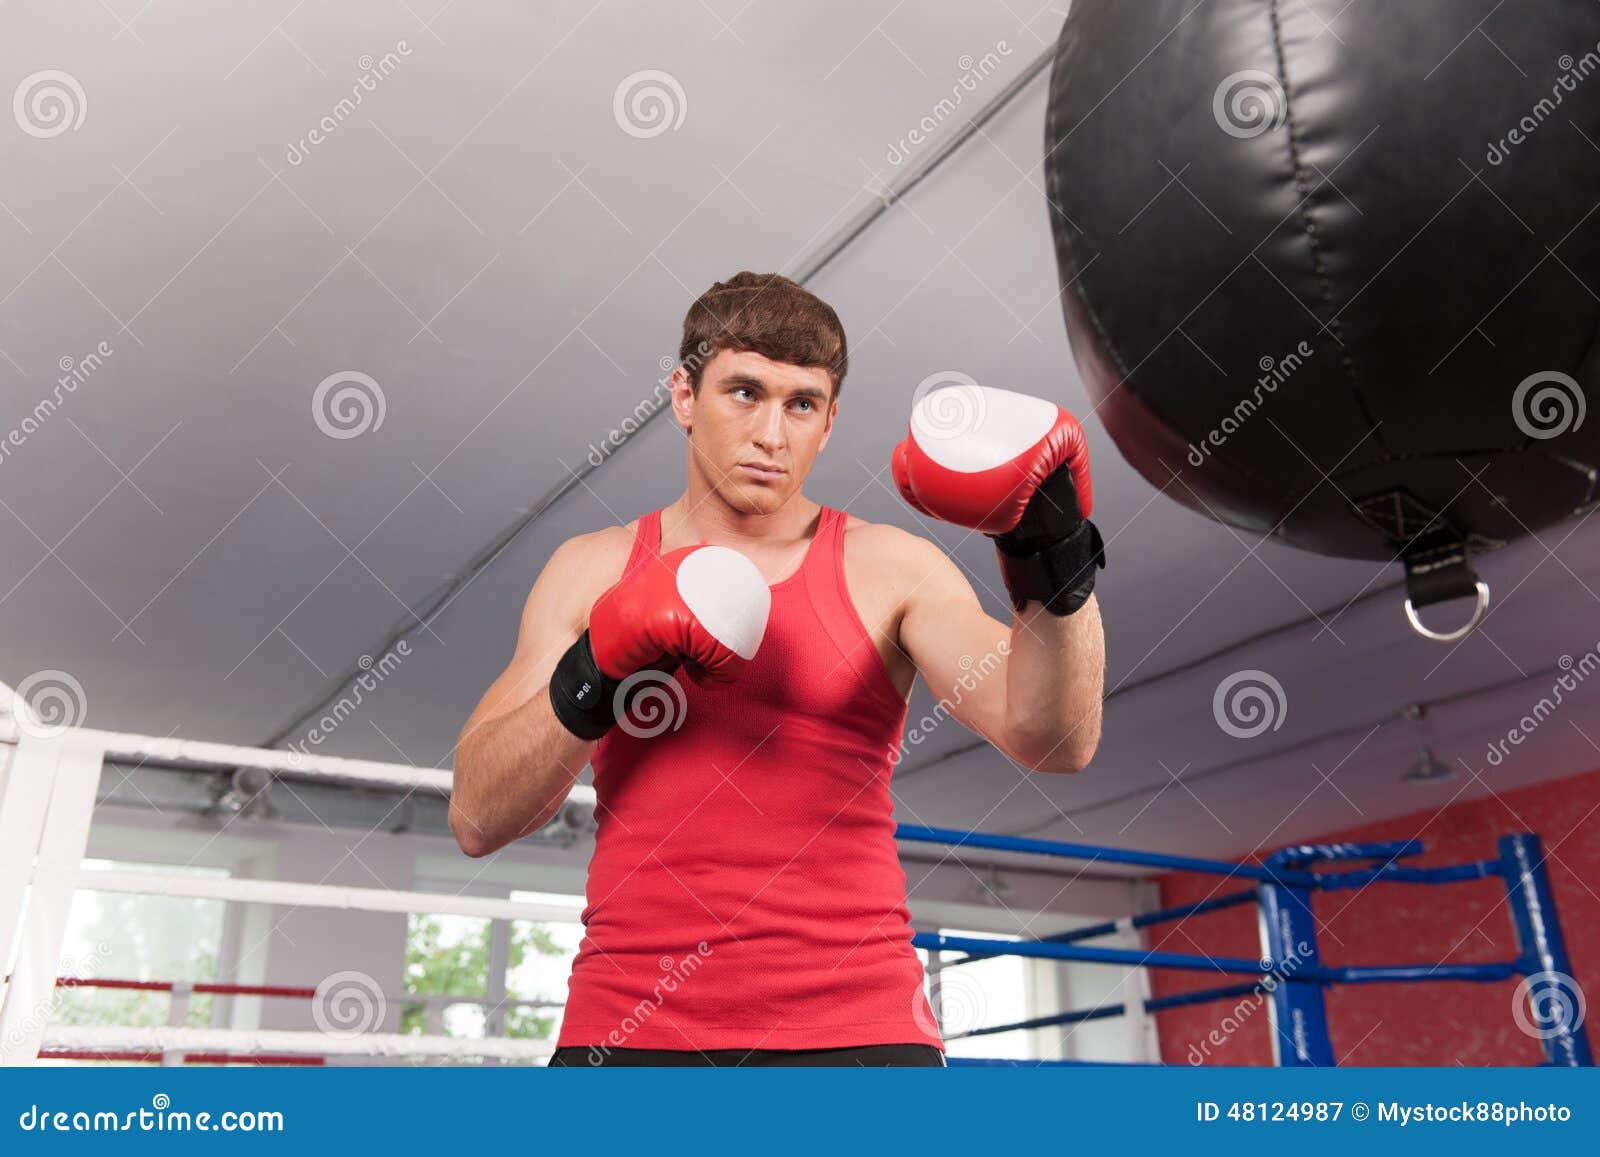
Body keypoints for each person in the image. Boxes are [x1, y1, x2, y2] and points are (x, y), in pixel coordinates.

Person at [450, 271, 1106, 1066]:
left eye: (801, 404)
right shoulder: (592, 570)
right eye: (744, 393)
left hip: (858, 1031)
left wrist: (1055, 561)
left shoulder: (892, 567)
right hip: (630, 1026)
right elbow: (478, 818)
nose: (772, 433)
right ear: (683, 396)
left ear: (829, 422)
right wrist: (597, 665)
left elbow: (1055, 739)